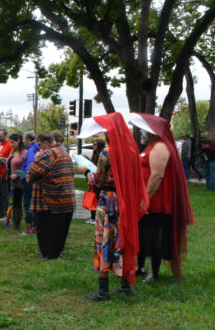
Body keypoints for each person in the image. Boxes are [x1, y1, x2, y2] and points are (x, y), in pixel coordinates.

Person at [78, 113, 148, 301]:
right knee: (123, 237)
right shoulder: (132, 151)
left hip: (108, 201)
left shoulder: (106, 153)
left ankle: (103, 291)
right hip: (126, 200)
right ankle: (125, 285)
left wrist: (85, 172)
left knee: (104, 240)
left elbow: (99, 179)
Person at [131, 113, 196, 282]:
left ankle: (153, 272)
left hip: (156, 202)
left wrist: (145, 198)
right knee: (145, 236)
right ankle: (142, 268)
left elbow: (157, 176)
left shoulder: (159, 147)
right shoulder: (152, 146)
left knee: (153, 238)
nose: (142, 133)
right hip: (151, 200)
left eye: (145, 130)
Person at [26, 130, 76, 259]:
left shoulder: (49, 154)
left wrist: (36, 159)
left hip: (51, 199)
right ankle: (56, 252)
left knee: (47, 228)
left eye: (40, 144)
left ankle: (49, 253)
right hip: (67, 197)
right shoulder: (64, 151)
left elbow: (31, 173)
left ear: (46, 142)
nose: (40, 147)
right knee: (60, 230)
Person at [20, 130, 39, 235]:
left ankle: (30, 229)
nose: (22, 141)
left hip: (28, 181)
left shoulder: (31, 151)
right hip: (31, 180)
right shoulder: (35, 148)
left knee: (28, 204)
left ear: (27, 140)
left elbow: (30, 166)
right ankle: (34, 227)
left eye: (23, 138)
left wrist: (26, 175)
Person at [8, 133, 27, 230]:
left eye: (13, 142)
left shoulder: (24, 152)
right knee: (13, 201)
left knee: (17, 202)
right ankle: (14, 221)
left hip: (20, 182)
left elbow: (26, 167)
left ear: (18, 141)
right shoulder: (13, 151)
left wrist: (18, 174)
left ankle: (17, 223)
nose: (11, 144)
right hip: (12, 181)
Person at [86, 139, 106, 224]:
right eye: (93, 145)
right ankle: (92, 217)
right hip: (93, 178)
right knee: (92, 198)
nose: (94, 146)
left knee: (98, 199)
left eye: (95, 145)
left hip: (98, 180)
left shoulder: (102, 155)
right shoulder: (94, 154)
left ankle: (97, 218)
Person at [0, 128, 12, 220]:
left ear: (5, 135)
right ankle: (0, 213)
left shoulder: (10, 144)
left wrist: (4, 160)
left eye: (1, 136)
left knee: (5, 194)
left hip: (5, 173)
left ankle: (6, 214)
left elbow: (11, 159)